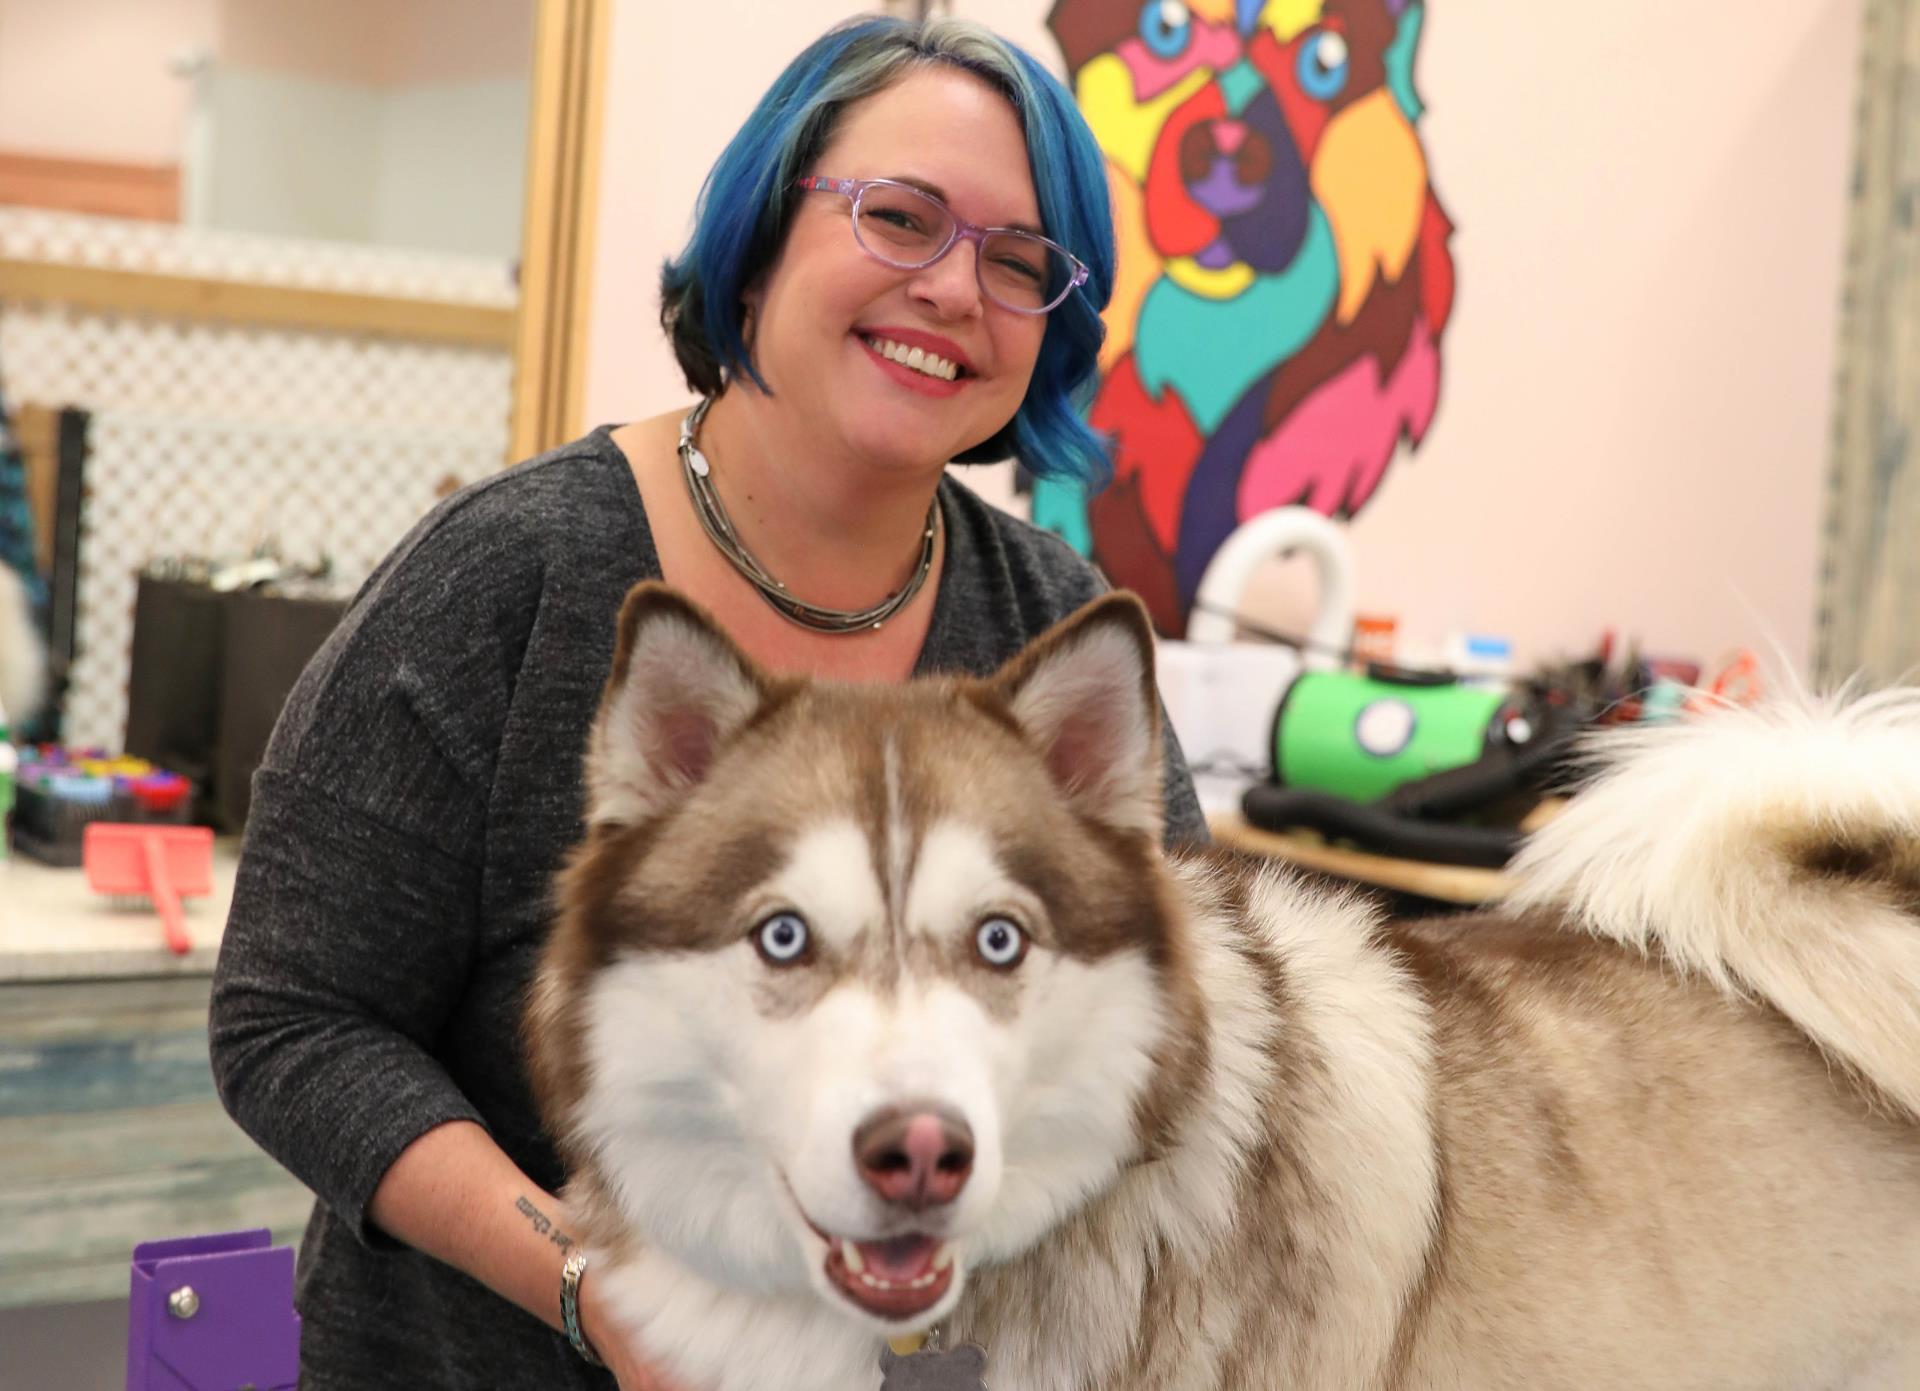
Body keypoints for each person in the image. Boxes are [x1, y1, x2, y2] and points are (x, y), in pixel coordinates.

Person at [209, 14, 1207, 1390]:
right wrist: (590, 1287)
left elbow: (1172, 1022)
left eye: (1020, 261)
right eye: (903, 218)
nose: (955, 290)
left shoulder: (1054, 630)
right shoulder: (510, 578)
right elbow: (291, 1021)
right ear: (759, 239)